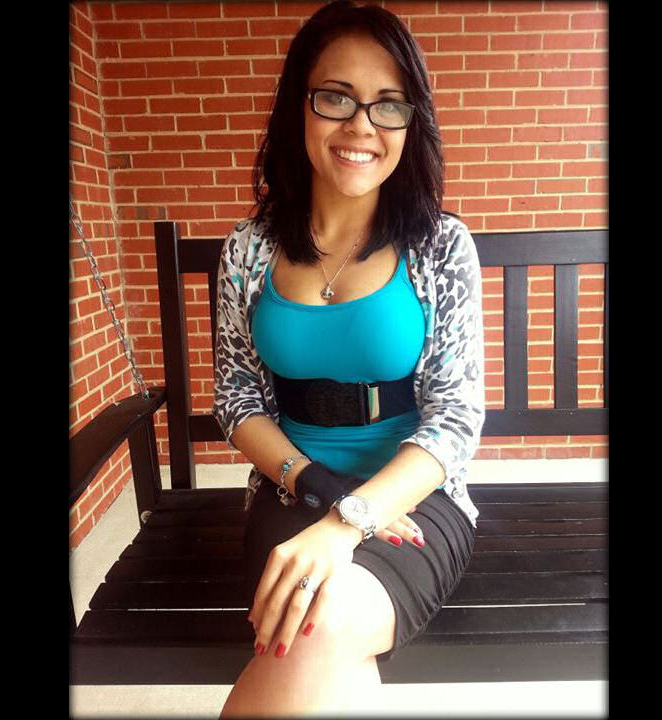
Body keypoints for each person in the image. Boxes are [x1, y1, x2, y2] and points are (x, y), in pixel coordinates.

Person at [212, 1, 485, 715]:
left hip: (414, 503)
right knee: (319, 634)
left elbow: (456, 419)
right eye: (336, 97)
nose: (362, 125)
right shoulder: (248, 250)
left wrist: (350, 519)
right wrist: (320, 490)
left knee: (318, 623)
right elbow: (236, 399)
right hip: (290, 493)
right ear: (298, 107)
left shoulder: (439, 247)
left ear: (410, 123)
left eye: (388, 105)